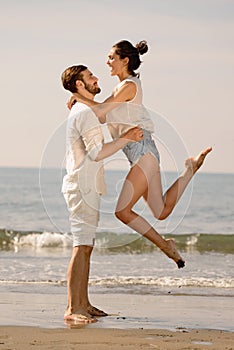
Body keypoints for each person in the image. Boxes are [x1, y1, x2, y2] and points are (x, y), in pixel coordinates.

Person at [68, 39, 212, 268]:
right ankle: (189, 170)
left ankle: (165, 246)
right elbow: (102, 115)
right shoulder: (120, 87)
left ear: (125, 60)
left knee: (122, 211)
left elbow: (101, 110)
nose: (108, 62)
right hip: (142, 154)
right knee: (161, 210)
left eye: (111, 58)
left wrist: (79, 96)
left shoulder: (129, 86)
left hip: (143, 153)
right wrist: (82, 99)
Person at [61, 64, 143, 323]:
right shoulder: (83, 112)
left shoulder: (83, 110)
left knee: (86, 246)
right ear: (79, 85)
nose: (96, 78)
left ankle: (83, 303)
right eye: (89, 77)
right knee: (81, 246)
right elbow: (97, 152)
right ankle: (73, 309)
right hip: (81, 186)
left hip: (86, 185)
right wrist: (127, 138)